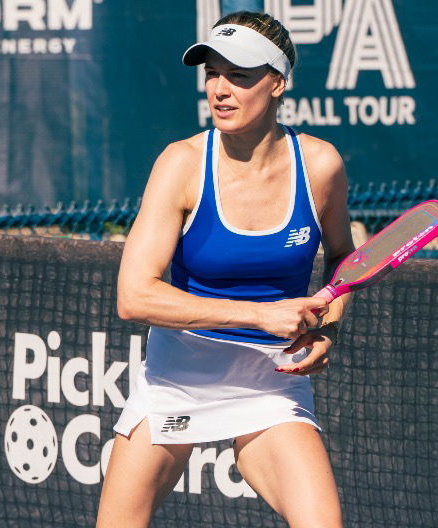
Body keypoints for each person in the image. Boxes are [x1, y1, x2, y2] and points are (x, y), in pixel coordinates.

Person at [96, 11, 355, 528]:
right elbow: (134, 296)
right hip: (177, 379)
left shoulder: (321, 165)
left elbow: (344, 260)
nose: (220, 89)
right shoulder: (181, 164)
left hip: (270, 383)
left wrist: (328, 328)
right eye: (212, 73)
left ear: (277, 83)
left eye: (239, 75)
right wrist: (259, 315)